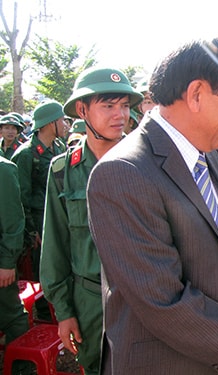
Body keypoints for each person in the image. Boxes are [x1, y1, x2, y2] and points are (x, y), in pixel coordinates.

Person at [86, 38, 218, 375]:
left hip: (214, 356)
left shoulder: (202, 150)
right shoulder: (124, 173)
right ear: (196, 95)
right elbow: (162, 300)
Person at [39, 67, 143, 375]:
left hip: (141, 298)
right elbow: (55, 245)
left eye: (124, 105)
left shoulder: (145, 162)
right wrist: (64, 311)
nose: (119, 115)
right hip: (89, 301)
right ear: (82, 110)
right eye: (108, 106)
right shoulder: (63, 171)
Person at [11, 100, 68, 320]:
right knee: (42, 267)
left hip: (59, 217)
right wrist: (31, 231)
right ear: (49, 123)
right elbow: (20, 198)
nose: (65, 125)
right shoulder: (26, 155)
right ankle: (45, 313)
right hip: (38, 221)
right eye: (61, 120)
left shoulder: (60, 148)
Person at [0, 155, 31, 375]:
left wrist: (7, 262)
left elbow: (13, 221)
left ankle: (20, 369)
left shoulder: (3, 169)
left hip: (1, 263)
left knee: (13, 318)